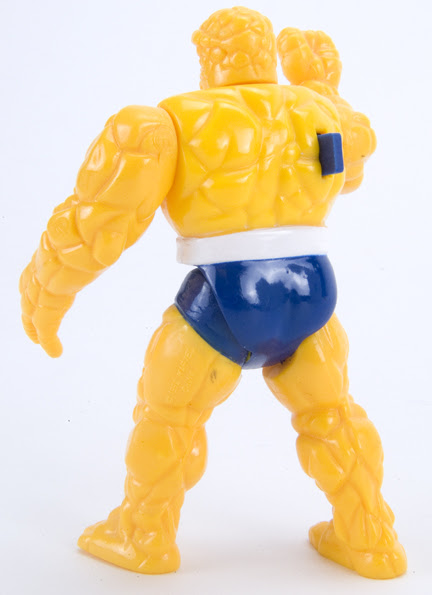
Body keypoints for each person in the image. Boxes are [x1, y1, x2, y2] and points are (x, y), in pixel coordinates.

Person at [19, 6, 406, 579]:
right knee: (332, 413)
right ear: (267, 53)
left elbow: (96, 225)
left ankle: (142, 535)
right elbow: (353, 164)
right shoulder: (317, 111)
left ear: (208, 58)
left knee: (168, 416)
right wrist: (322, 86)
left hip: (223, 302)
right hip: (311, 294)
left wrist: (45, 291)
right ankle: (369, 539)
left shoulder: (169, 122)